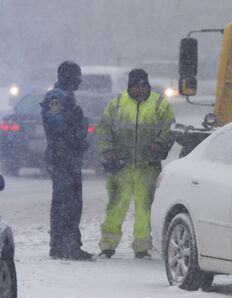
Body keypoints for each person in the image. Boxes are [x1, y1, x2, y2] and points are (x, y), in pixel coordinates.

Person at [97, 68, 175, 259]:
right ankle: (107, 245)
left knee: (145, 208)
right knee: (115, 206)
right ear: (130, 87)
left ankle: (142, 247)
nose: (140, 89)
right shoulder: (116, 104)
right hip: (121, 167)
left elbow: (169, 129)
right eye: (136, 86)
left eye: (143, 85)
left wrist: (159, 145)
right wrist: (107, 151)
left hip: (147, 167)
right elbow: (104, 128)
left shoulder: (159, 104)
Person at [40, 60, 93, 260]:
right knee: (66, 204)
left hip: (69, 157)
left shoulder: (66, 97)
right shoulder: (57, 97)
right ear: (68, 78)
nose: (79, 82)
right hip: (64, 158)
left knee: (71, 202)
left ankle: (66, 245)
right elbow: (57, 128)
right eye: (76, 78)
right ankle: (65, 246)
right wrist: (75, 139)